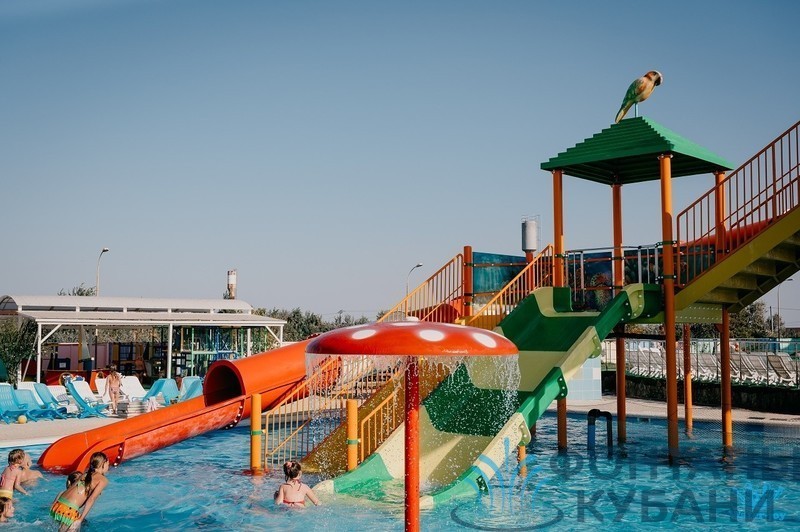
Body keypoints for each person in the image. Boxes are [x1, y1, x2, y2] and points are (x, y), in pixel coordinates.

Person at [50, 452, 110, 531]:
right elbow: (91, 499)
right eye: (108, 464)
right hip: (69, 510)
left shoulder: (85, 474)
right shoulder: (103, 480)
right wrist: (80, 519)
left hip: (58, 505)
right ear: (103, 464)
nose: (108, 467)